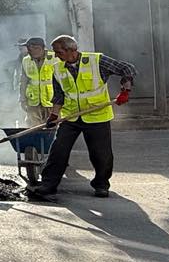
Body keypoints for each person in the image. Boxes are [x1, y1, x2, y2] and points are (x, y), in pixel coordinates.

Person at [25, 35, 135, 201]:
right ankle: (48, 185)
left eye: (59, 52)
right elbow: (59, 95)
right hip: (71, 118)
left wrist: (125, 90)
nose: (56, 56)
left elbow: (128, 69)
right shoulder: (58, 68)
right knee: (58, 150)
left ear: (72, 50)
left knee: (101, 154)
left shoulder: (96, 61)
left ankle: (101, 184)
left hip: (97, 116)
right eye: (55, 52)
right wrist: (54, 115)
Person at [17, 37, 61, 126]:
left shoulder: (55, 58)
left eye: (30, 48)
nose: (28, 51)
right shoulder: (26, 60)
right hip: (33, 102)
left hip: (52, 102)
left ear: (39, 48)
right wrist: (22, 99)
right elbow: (23, 81)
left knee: (53, 127)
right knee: (34, 128)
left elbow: (62, 81)